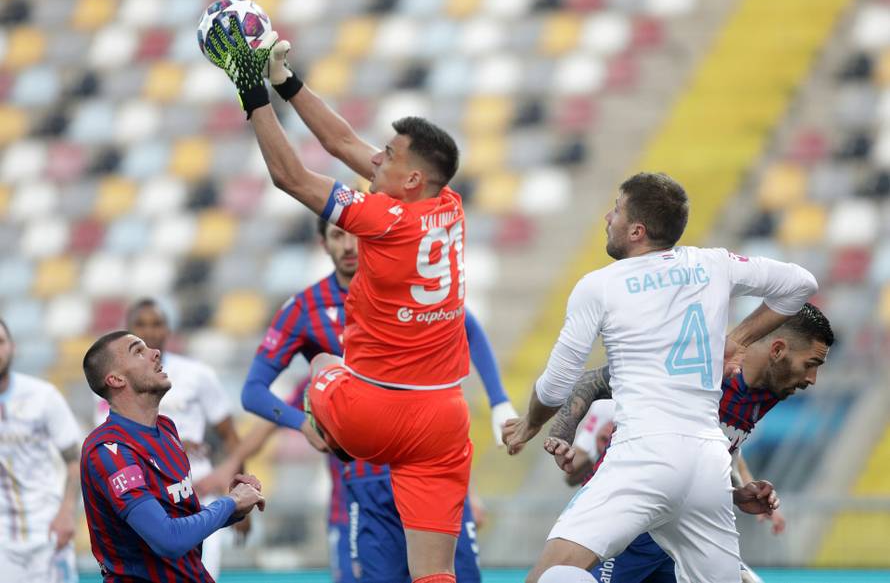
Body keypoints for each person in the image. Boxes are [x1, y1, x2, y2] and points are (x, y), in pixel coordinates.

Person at [205, 19, 479, 582]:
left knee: (325, 361)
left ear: (411, 179)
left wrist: (252, 90)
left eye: (388, 154)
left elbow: (290, 176)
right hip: (443, 419)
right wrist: (287, 80)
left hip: (372, 414)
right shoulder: (447, 205)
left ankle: (330, 432)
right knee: (436, 574)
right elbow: (344, 143)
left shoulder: (382, 217)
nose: (375, 158)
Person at [502, 172, 818, 583]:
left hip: (643, 455)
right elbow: (801, 284)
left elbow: (557, 384)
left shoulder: (600, 285)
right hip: (706, 464)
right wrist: (738, 339)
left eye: (616, 210)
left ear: (636, 230)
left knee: (553, 575)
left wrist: (530, 423)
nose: (607, 217)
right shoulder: (711, 264)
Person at [206, 217, 516, 583]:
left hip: (429, 470)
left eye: (357, 235)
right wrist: (302, 425)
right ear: (324, 243)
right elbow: (253, 391)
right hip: (361, 483)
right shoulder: (306, 309)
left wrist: (499, 401)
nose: (349, 245)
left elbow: (467, 328)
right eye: (338, 236)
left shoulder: (409, 287)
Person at [544, 303, 832, 583]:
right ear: (778, 351)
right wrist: (560, 434)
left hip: (684, 531)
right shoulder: (697, 364)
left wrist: (737, 491)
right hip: (630, 523)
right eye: (811, 364)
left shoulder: (767, 392)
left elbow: (721, 448)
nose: (813, 379)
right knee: (556, 575)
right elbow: (593, 381)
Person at [80, 330, 265, 582]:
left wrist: (235, 507)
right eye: (138, 351)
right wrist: (230, 503)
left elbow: (179, 517)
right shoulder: (109, 449)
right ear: (115, 379)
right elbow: (168, 539)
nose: (155, 352)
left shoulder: (167, 429)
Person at [0, 318, 82, 583]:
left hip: (48, 531)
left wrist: (67, 514)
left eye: (0, 342)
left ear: (13, 347)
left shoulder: (43, 396)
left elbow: (75, 461)